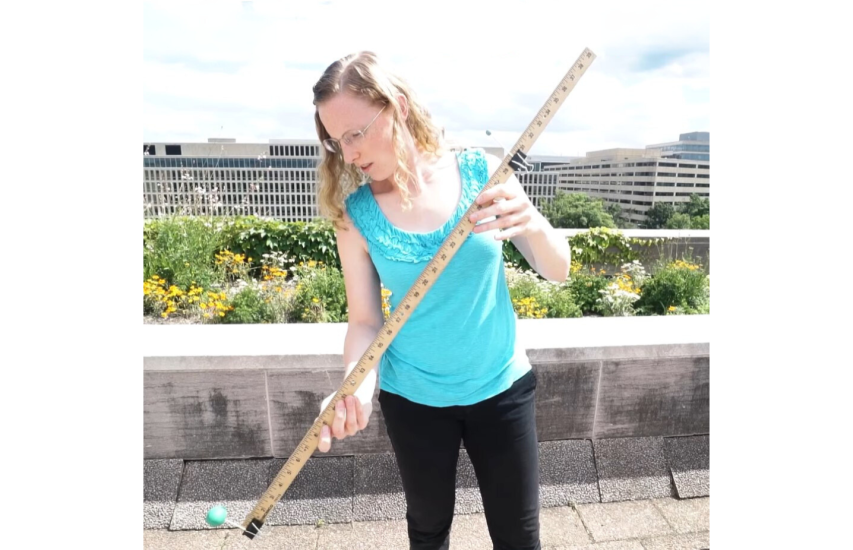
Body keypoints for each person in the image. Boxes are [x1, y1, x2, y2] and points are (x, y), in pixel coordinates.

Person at [311, 51, 571, 550]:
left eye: (356, 133)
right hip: (414, 402)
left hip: (502, 389)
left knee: (518, 536)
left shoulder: (484, 175)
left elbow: (557, 270)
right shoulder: (356, 216)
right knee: (428, 528)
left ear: (397, 108)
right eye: (336, 140)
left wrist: (533, 222)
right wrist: (357, 386)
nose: (347, 154)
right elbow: (366, 320)